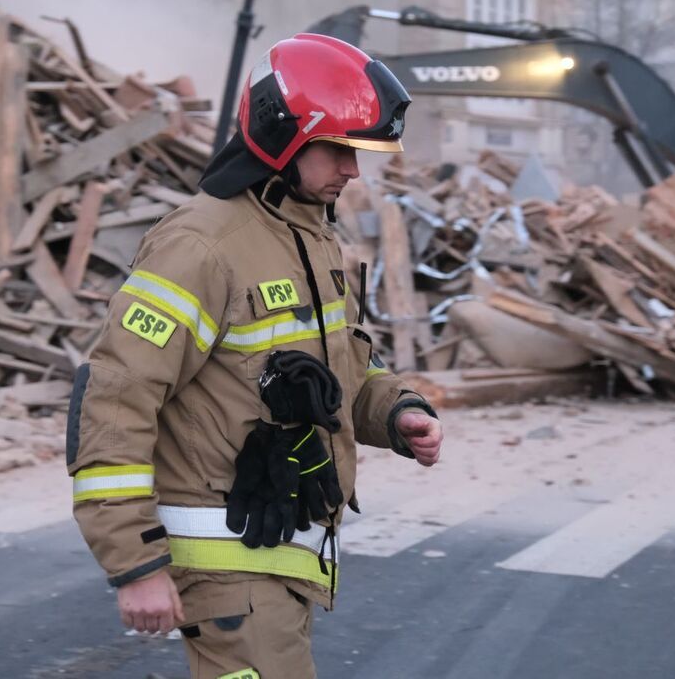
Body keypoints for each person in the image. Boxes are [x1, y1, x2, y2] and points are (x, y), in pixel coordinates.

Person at [67, 33, 444, 679]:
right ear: (284, 137)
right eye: (341, 150)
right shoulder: (201, 246)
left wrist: (396, 411)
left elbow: (343, 370)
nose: (353, 171)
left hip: (280, 561)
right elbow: (113, 396)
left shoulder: (312, 239)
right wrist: (134, 564)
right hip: (225, 571)